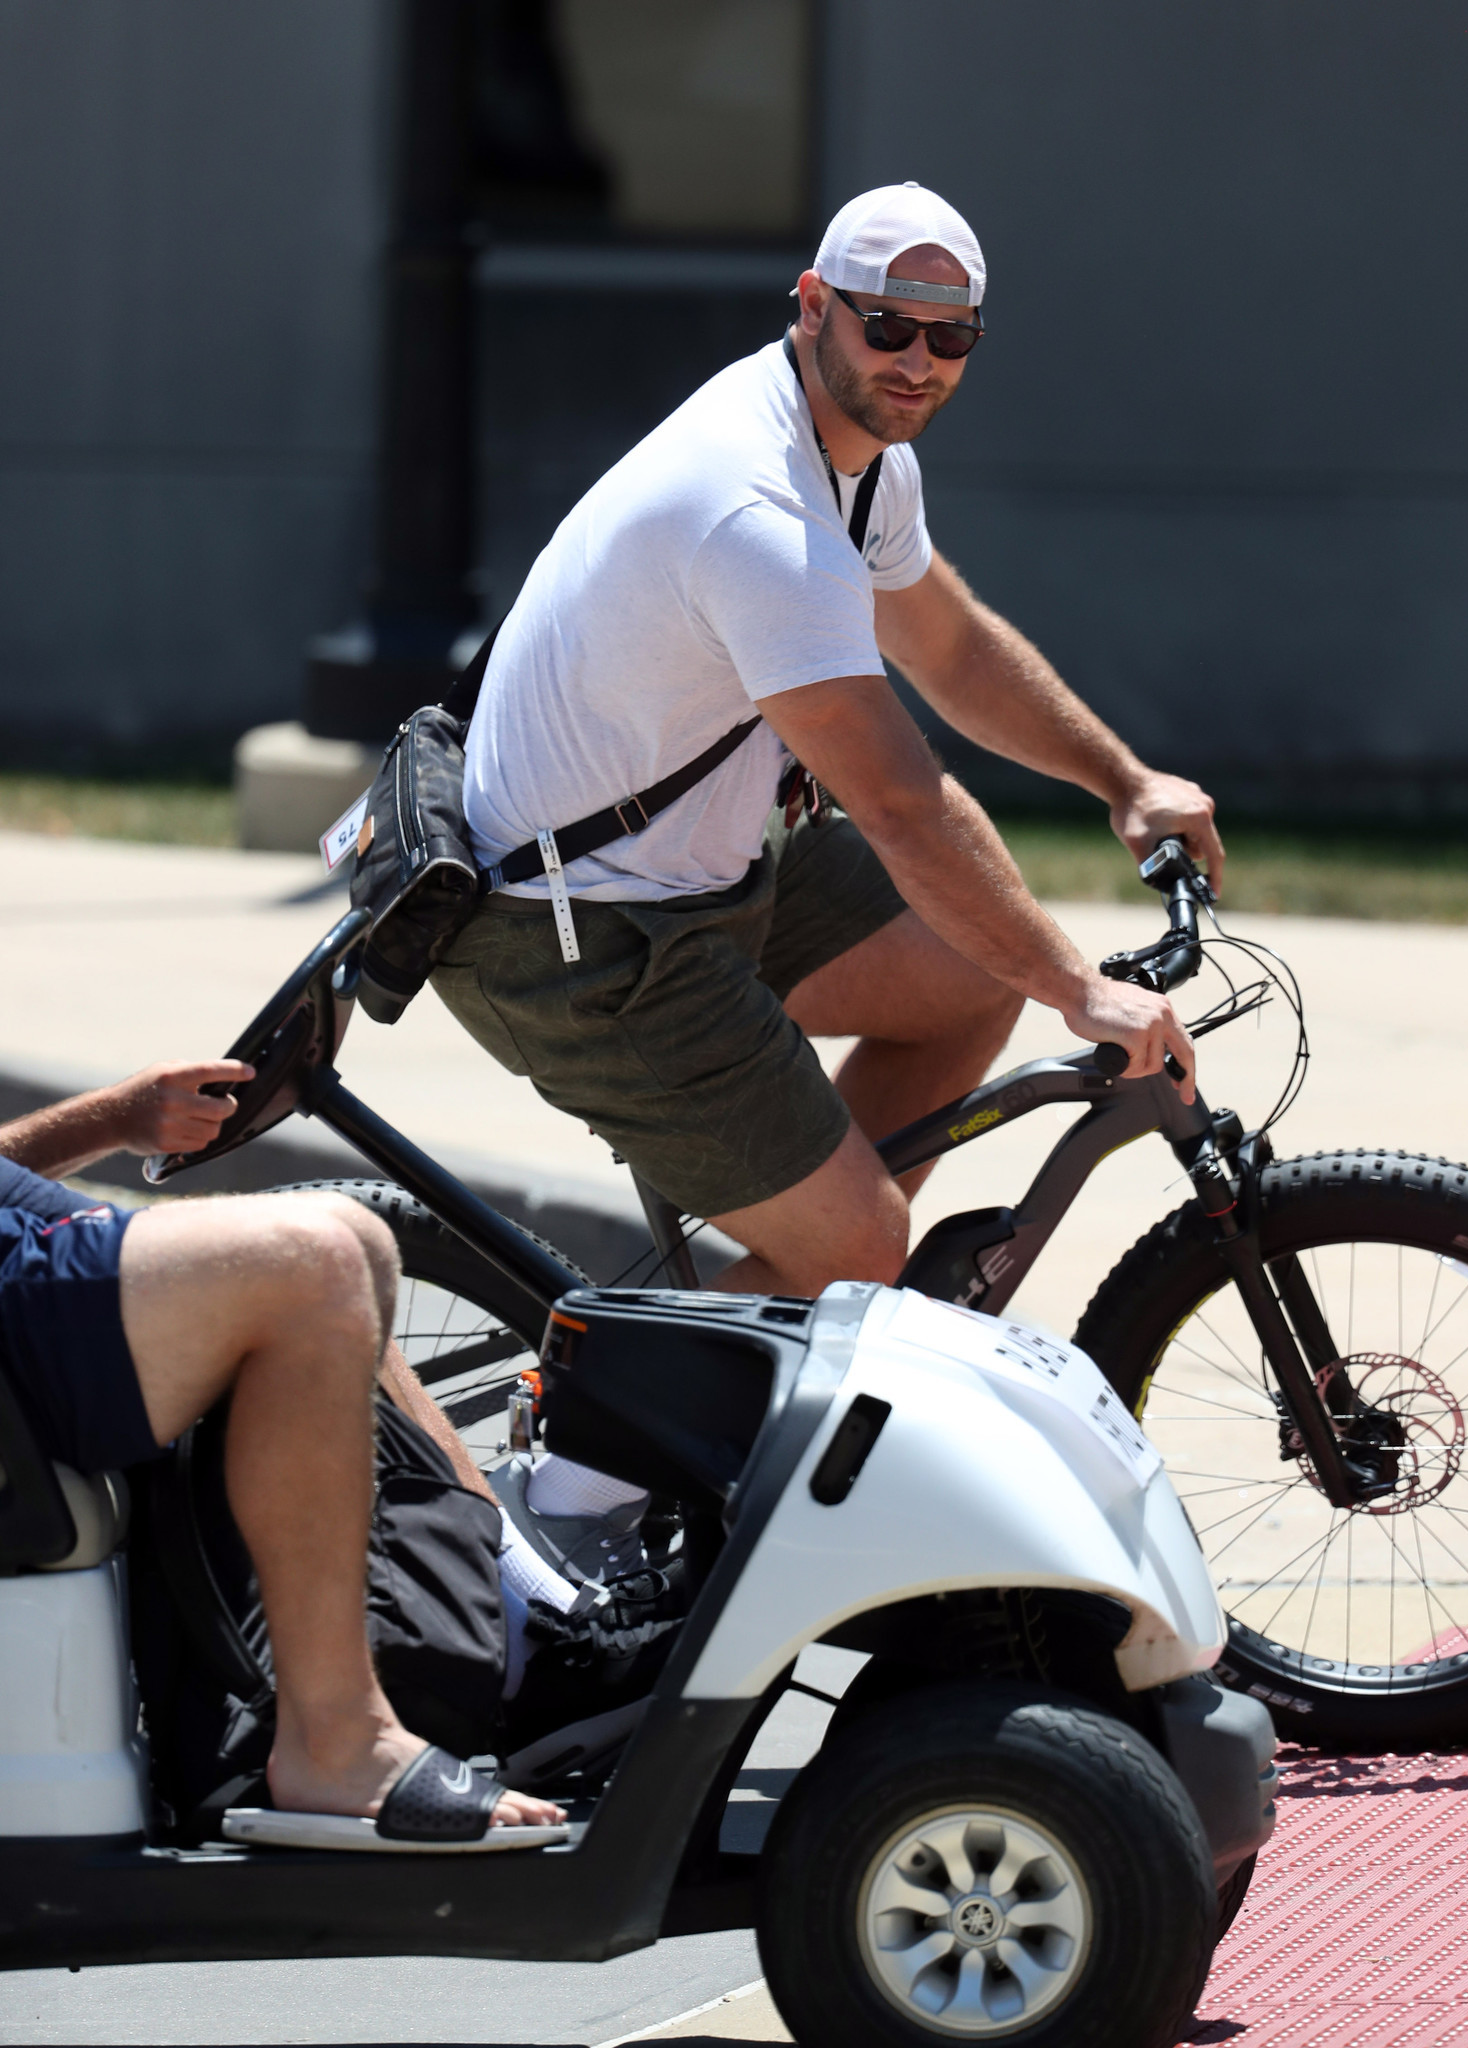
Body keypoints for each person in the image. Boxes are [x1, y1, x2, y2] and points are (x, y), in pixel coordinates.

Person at [437, 182, 1223, 1298]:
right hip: (574, 931)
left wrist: (1124, 780)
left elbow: (949, 648)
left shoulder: (860, 458)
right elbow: (900, 800)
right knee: (861, 1244)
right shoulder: (759, 512)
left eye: (950, 335)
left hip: (701, 870)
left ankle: (799, 1287)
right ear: (812, 304)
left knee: (965, 970)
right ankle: (588, 1456)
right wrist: (1074, 985)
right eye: (887, 323)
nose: (918, 358)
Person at [0, 1060, 563, 1841]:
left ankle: (530, 1618)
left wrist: (110, 1121)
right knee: (310, 1264)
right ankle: (334, 1743)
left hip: (38, 1251)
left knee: (349, 1236)